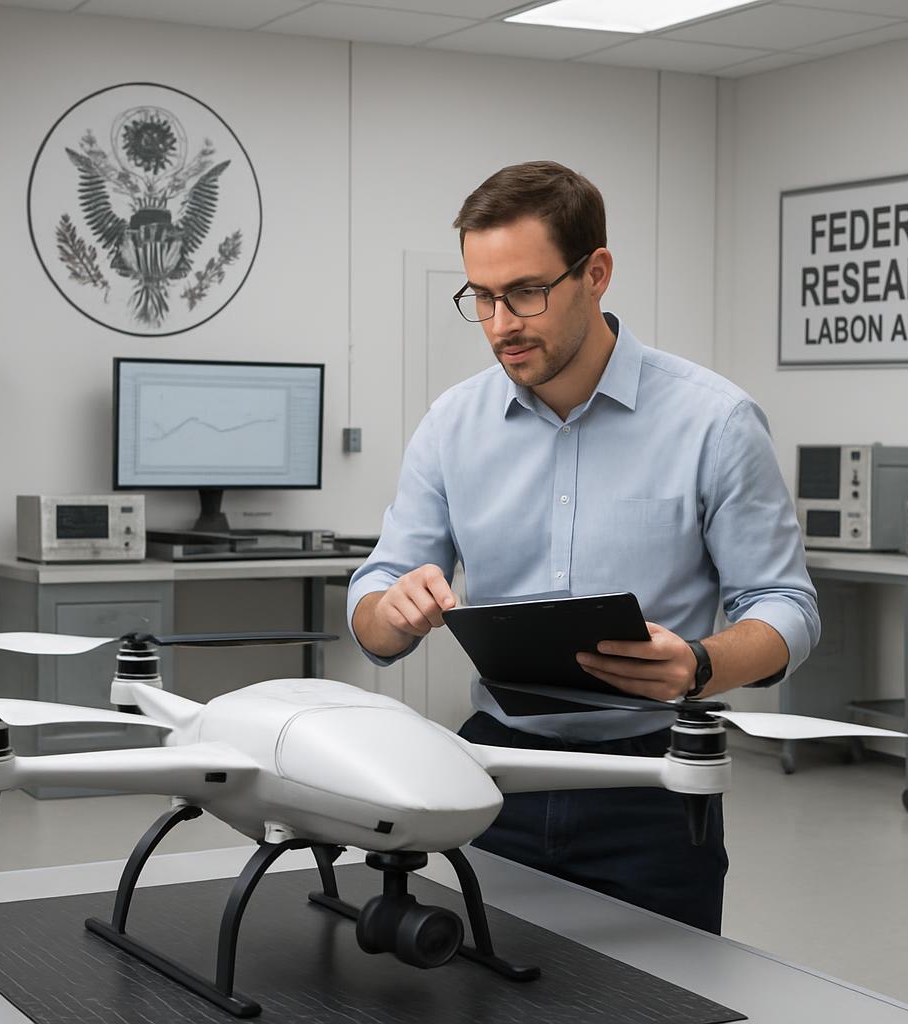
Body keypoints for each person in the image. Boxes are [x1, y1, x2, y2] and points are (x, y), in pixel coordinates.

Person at [347, 160, 819, 935]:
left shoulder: (716, 423)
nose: (501, 324)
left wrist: (700, 663)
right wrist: (390, 608)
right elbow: (376, 602)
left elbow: (786, 606)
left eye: (525, 292)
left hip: (654, 784)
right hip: (491, 776)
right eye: (482, 298)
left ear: (596, 272)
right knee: (475, 994)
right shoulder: (451, 425)